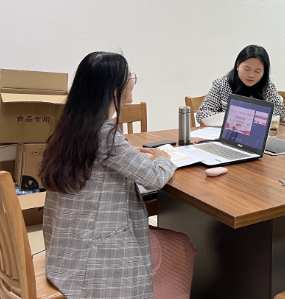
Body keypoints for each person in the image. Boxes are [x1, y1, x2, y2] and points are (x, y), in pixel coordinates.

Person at [39, 52, 196, 299]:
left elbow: (98, 160)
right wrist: (164, 158)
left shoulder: (73, 124)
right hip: (93, 257)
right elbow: (154, 178)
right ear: (114, 89)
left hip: (66, 248)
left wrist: (129, 153)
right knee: (180, 245)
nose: (132, 82)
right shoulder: (105, 133)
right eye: (129, 78)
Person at [195, 45, 285, 123]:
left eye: (257, 71)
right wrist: (239, 117)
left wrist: (248, 116)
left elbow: (280, 112)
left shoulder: (267, 86)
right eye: (247, 69)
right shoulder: (221, 84)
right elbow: (202, 114)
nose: (251, 75)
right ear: (237, 66)